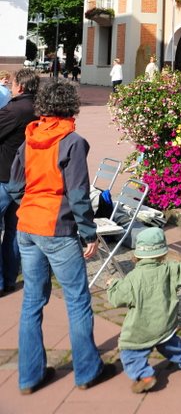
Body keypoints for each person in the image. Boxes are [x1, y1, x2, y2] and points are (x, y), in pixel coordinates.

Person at [8, 79, 116, 395]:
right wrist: (88, 232)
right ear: (71, 107)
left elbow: (15, 185)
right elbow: (80, 193)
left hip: (27, 225)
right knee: (78, 300)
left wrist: (28, 205)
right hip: (57, 227)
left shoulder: (29, 139)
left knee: (32, 301)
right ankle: (86, 370)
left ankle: (29, 376)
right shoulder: (71, 141)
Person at [107, 226, 181, 393]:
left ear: (138, 254)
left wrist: (113, 284)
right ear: (162, 253)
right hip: (165, 323)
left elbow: (117, 299)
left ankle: (145, 376)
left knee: (130, 352)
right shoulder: (169, 270)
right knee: (171, 344)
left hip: (141, 328)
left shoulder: (132, 278)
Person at [0, 68, 39, 295]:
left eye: (12, 84)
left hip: (5, 176)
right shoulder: (41, 108)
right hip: (26, 177)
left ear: (20, 87)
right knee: (14, 231)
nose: (10, 88)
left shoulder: (15, 110)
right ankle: (10, 277)